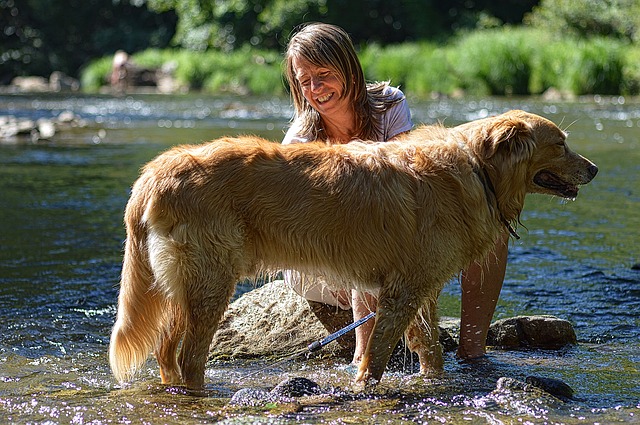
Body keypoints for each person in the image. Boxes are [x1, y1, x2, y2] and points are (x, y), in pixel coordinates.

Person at [282, 22, 508, 366]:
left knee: (491, 226)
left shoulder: (389, 104)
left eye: (324, 74)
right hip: (319, 254)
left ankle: (472, 351)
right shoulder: (300, 140)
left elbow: (410, 175)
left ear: (348, 67)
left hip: (384, 235)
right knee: (368, 230)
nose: (315, 88)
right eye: (304, 81)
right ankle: (363, 357)